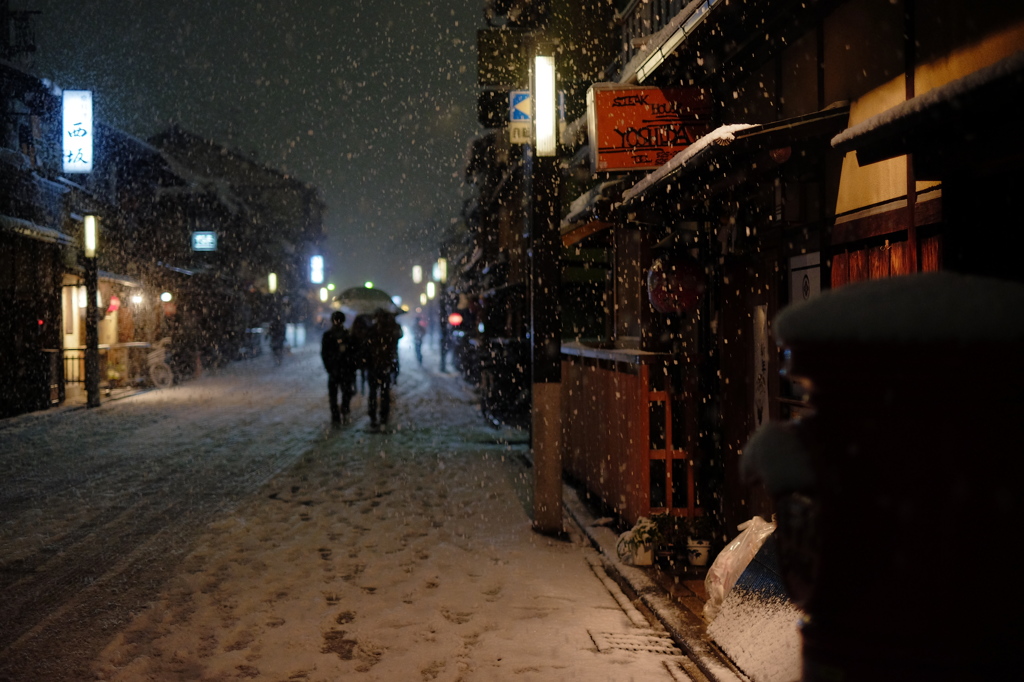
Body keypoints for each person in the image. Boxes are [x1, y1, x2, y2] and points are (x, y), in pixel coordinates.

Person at [365, 308, 403, 430]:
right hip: (382, 366)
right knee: (383, 392)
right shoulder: (387, 331)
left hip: (375, 366)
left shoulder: (372, 331)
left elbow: (366, 348)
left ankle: (375, 417)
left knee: (374, 393)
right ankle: (382, 417)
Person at [321, 311, 356, 425]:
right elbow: (352, 352)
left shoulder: (330, 335)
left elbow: (324, 353)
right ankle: (342, 412)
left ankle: (336, 415)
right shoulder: (347, 334)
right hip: (343, 369)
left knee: (334, 394)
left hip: (337, 369)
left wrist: (329, 367)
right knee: (344, 393)